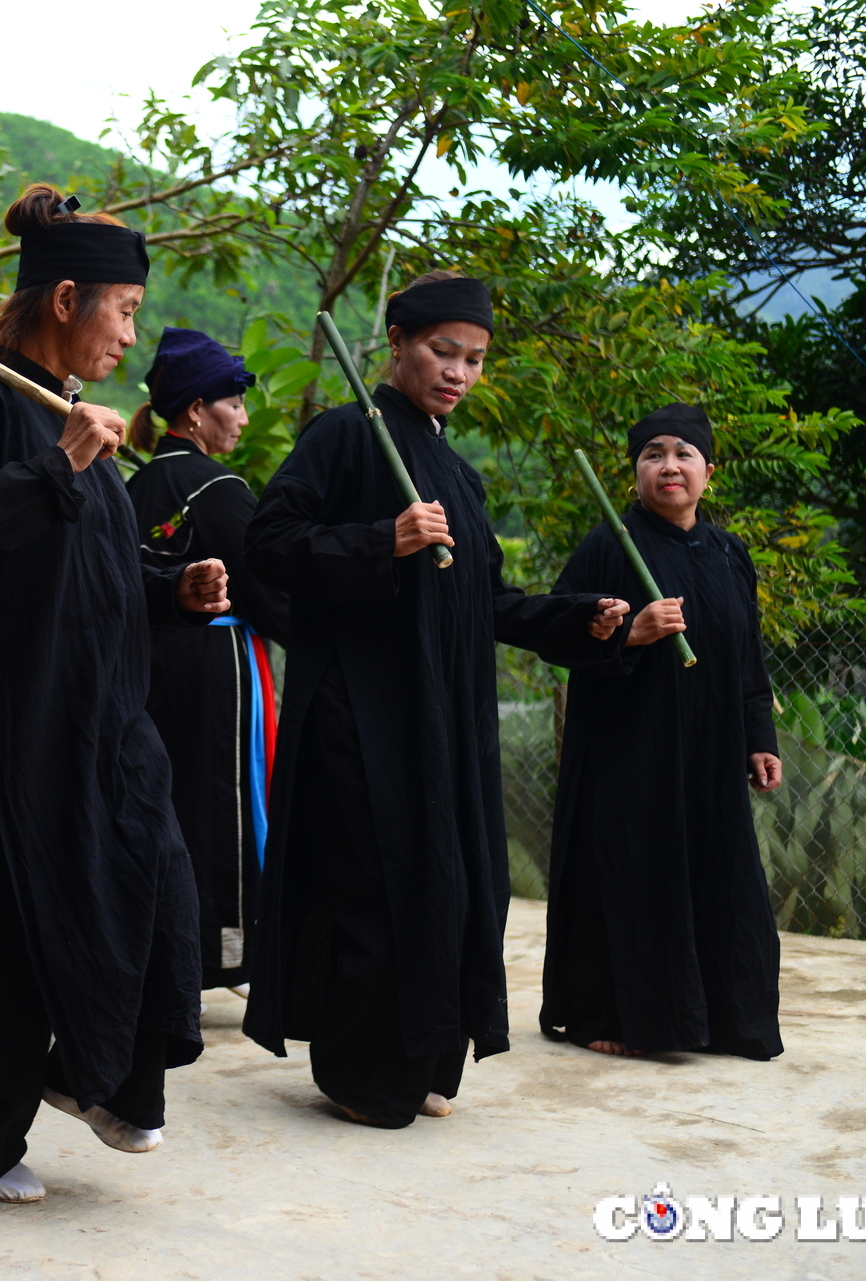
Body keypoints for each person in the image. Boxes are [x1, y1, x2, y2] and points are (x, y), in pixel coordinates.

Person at [0, 184, 230, 1205]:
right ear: (65, 298)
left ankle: (92, 1074)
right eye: (124, 311)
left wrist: (174, 586)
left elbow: (90, 567)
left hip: (97, 718)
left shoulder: (78, 420)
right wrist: (60, 462)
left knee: (157, 883)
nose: (130, 335)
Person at [242, 270, 631, 1129]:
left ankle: (416, 1056)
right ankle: (357, 1070)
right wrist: (383, 537)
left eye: (475, 358)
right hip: (360, 714)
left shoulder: (457, 474)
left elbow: (486, 603)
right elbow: (268, 542)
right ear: (398, 346)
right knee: (375, 886)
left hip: (444, 726)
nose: (458, 371)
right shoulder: (347, 436)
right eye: (442, 351)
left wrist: (583, 621)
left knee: (453, 887)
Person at [538, 404, 785, 1061]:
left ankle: (723, 1019)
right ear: (635, 471)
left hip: (712, 755)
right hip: (629, 754)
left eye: (682, 453)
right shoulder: (608, 544)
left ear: (709, 469)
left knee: (721, 877)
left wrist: (760, 734)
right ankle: (606, 1013)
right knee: (628, 879)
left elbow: (748, 658)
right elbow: (556, 632)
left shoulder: (731, 554)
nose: (668, 466)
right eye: (652, 454)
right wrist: (629, 632)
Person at [125, 328, 290, 992]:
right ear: (195, 410)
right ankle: (228, 951)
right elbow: (272, 592)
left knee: (166, 802)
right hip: (220, 666)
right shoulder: (220, 487)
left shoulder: (135, 486)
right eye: (234, 403)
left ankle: (164, 949)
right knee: (227, 803)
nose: (244, 418)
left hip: (149, 668)